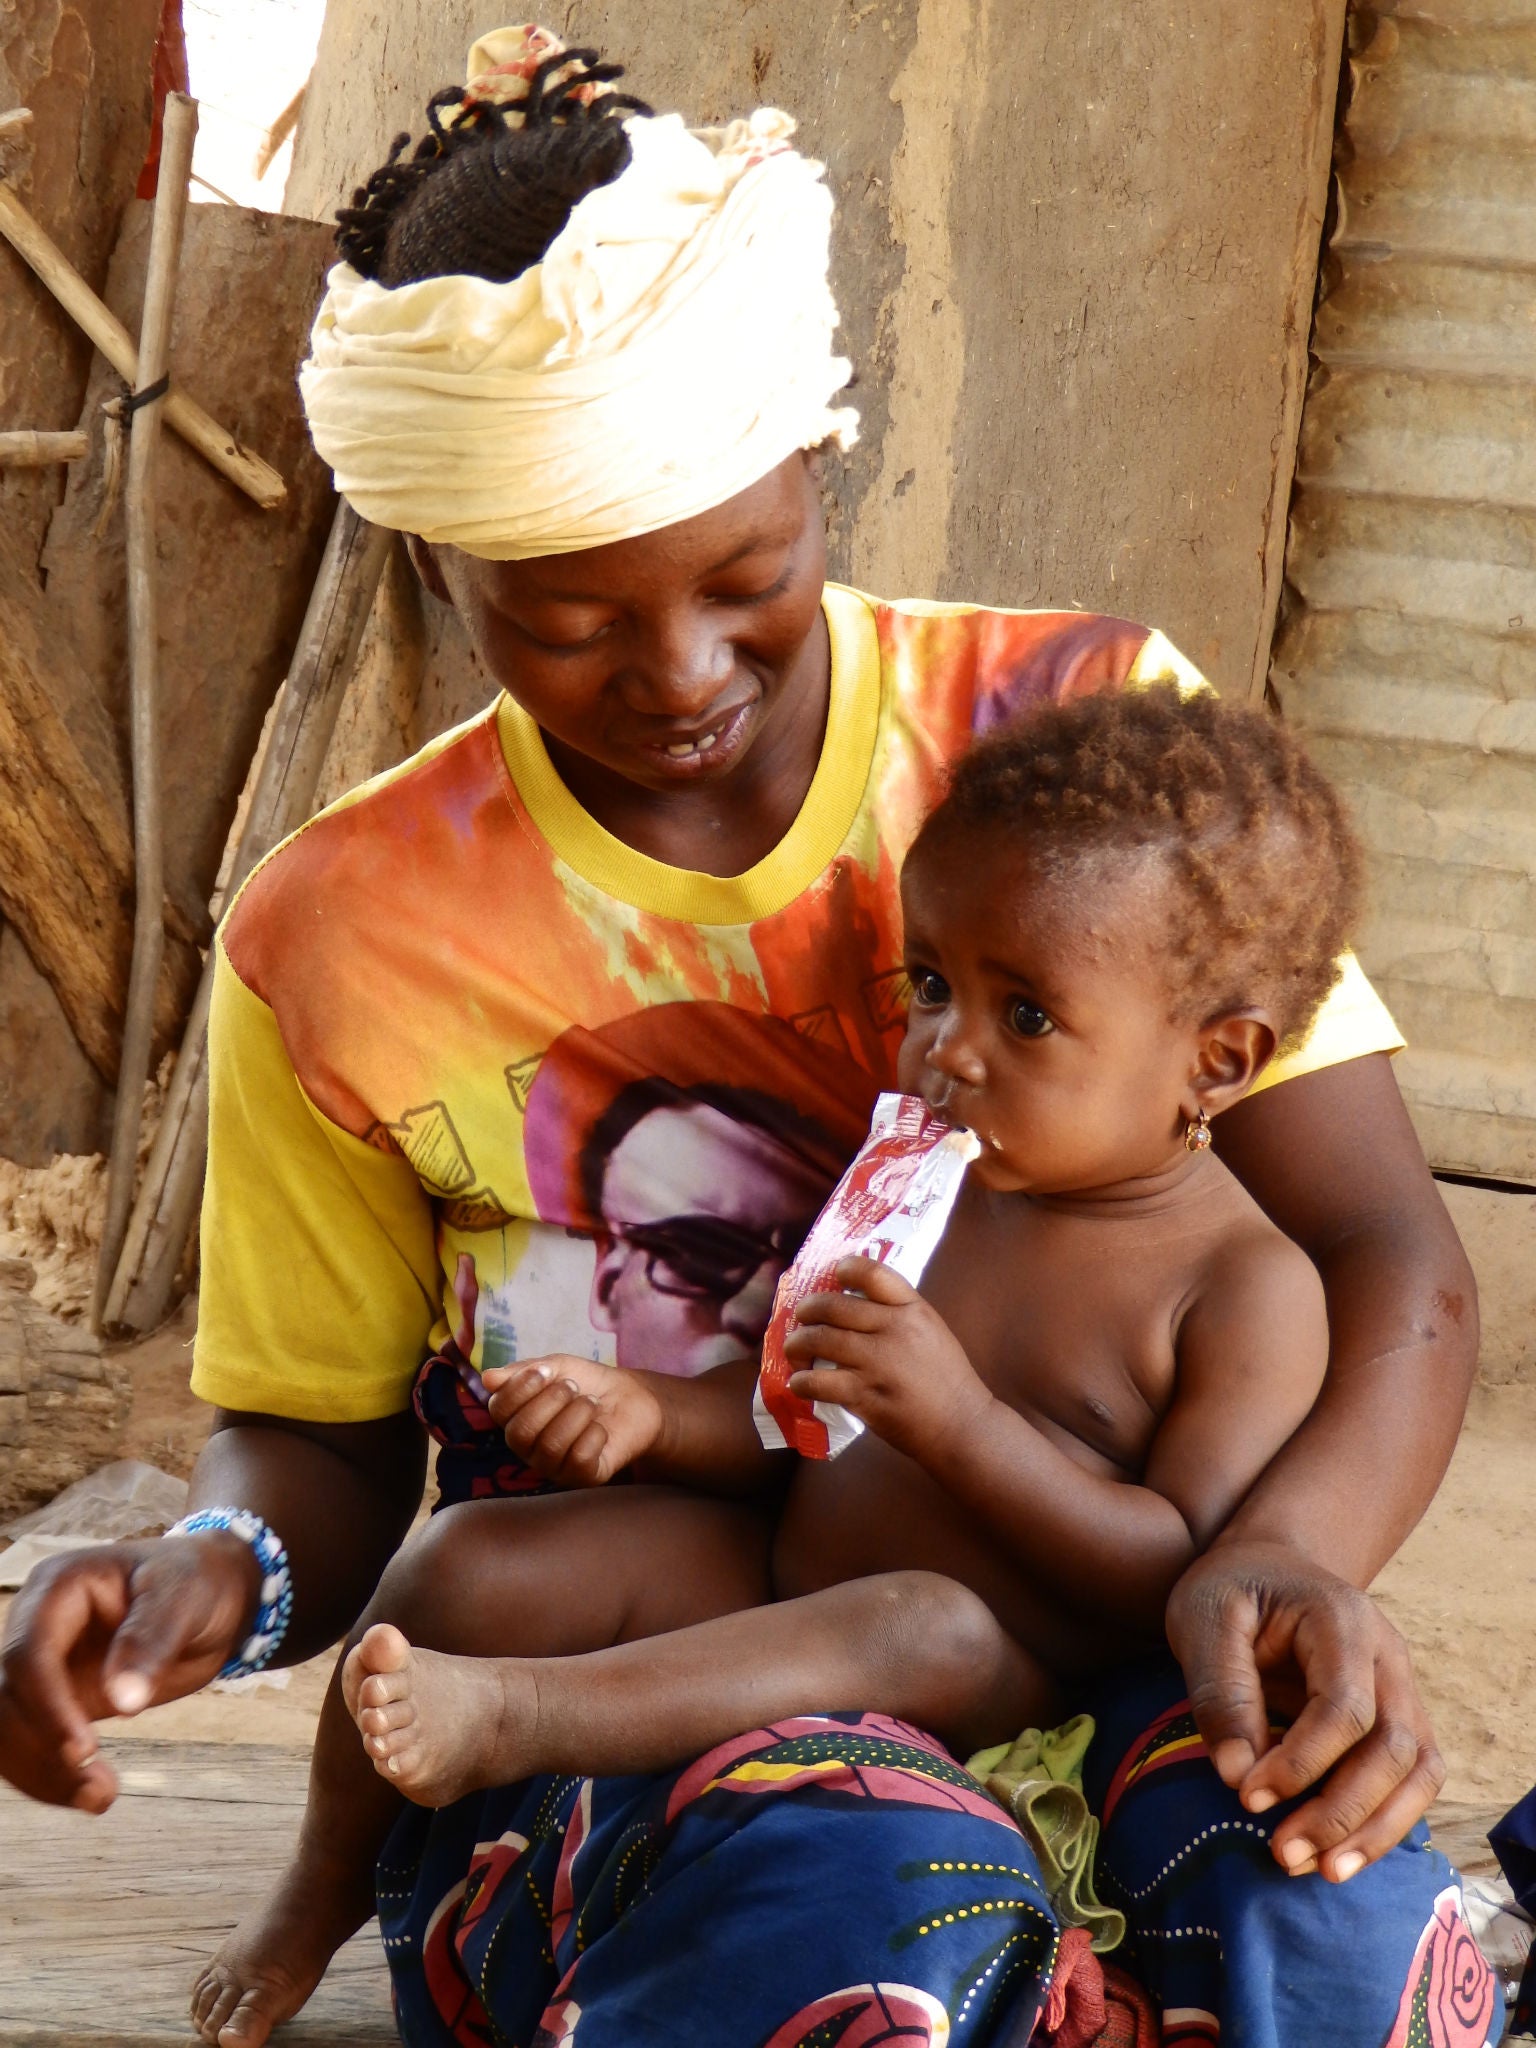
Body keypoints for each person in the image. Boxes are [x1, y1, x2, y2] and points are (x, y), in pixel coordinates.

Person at [0, 26, 1483, 2048]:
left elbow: (1384, 1254)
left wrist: (1292, 1562)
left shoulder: (1088, 751)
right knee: (844, 1912)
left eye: (749, 571)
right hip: (662, 1662)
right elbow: (326, 1445)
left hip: (1120, 1636)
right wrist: (221, 1568)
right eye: (566, 619)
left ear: (816, 464)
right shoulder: (337, 936)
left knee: (1336, 1912)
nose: (680, 671)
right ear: (442, 559)